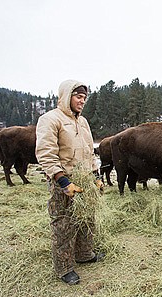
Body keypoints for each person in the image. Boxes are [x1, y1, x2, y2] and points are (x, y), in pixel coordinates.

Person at [36, 79, 105, 285]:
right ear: (66, 96)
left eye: (84, 97)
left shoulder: (82, 122)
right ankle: (64, 267)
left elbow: (89, 153)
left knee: (86, 219)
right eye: (78, 96)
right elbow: (46, 154)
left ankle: (85, 254)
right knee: (63, 223)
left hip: (84, 181)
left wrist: (97, 177)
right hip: (63, 181)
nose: (82, 101)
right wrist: (63, 181)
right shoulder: (50, 119)